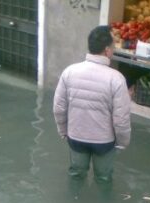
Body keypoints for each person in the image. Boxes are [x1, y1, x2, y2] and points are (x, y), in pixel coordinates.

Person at [53, 25, 131, 184]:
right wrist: (122, 143)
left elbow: (59, 108)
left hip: (76, 137)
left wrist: (63, 131)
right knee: (104, 179)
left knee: (76, 176)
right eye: (113, 47)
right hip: (104, 142)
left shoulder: (69, 72)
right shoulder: (116, 79)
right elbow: (121, 119)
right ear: (107, 50)